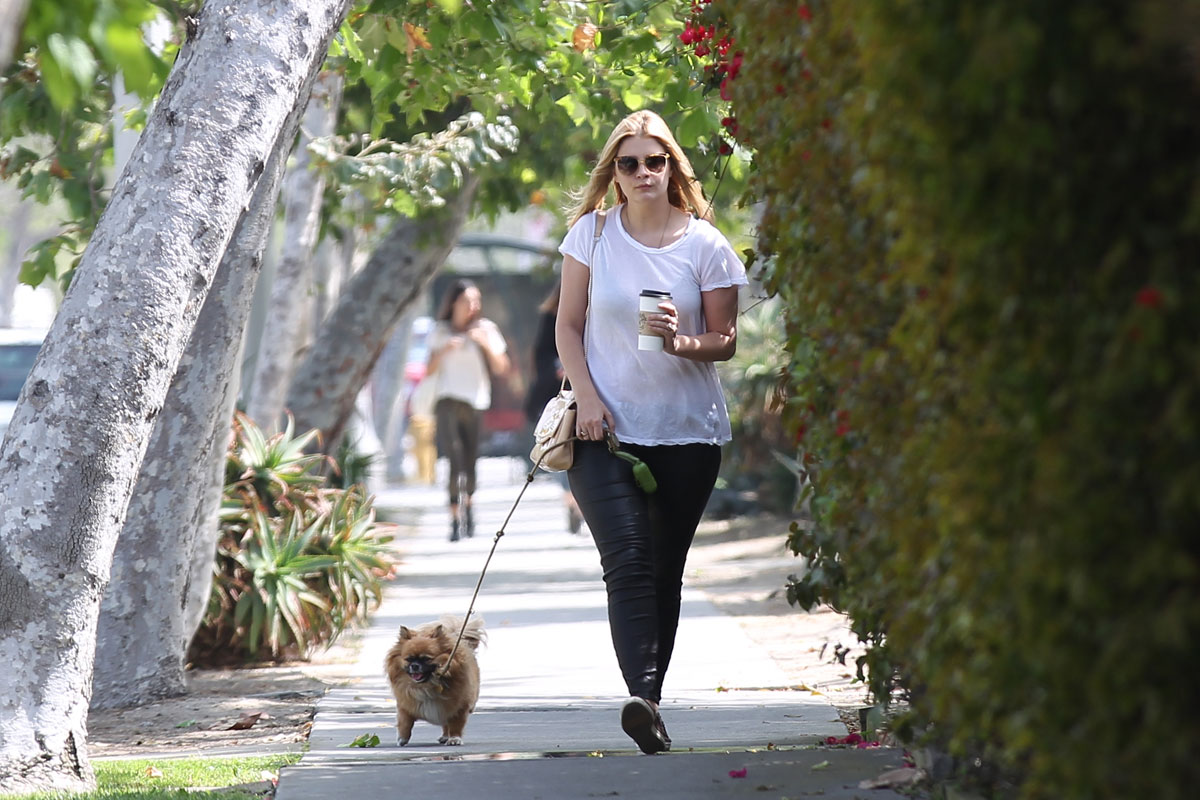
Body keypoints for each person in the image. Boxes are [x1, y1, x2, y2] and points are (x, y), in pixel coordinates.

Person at [555, 110, 747, 754]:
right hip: (601, 431)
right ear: (614, 174)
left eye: (654, 161)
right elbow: (568, 326)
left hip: (688, 435)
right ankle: (640, 693)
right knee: (628, 562)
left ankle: (650, 703)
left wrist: (679, 340)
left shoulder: (706, 245)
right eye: (629, 162)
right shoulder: (592, 234)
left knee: (665, 569)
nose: (643, 173)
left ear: (672, 168)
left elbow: (724, 343)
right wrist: (586, 397)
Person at [425, 279, 509, 542]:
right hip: (448, 400)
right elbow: (427, 370)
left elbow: (502, 368)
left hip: (475, 401)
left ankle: (469, 507)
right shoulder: (440, 331)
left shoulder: (486, 329)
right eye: (467, 300)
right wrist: (443, 350)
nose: (472, 306)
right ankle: (453, 517)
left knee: (471, 459)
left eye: (476, 300)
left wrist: (483, 343)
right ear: (453, 303)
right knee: (453, 458)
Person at [524, 280, 584, 534]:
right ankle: (572, 502)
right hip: (561, 397)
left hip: (594, 391)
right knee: (563, 449)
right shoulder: (552, 314)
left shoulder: (597, 309)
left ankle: (577, 504)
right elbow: (541, 354)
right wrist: (559, 368)